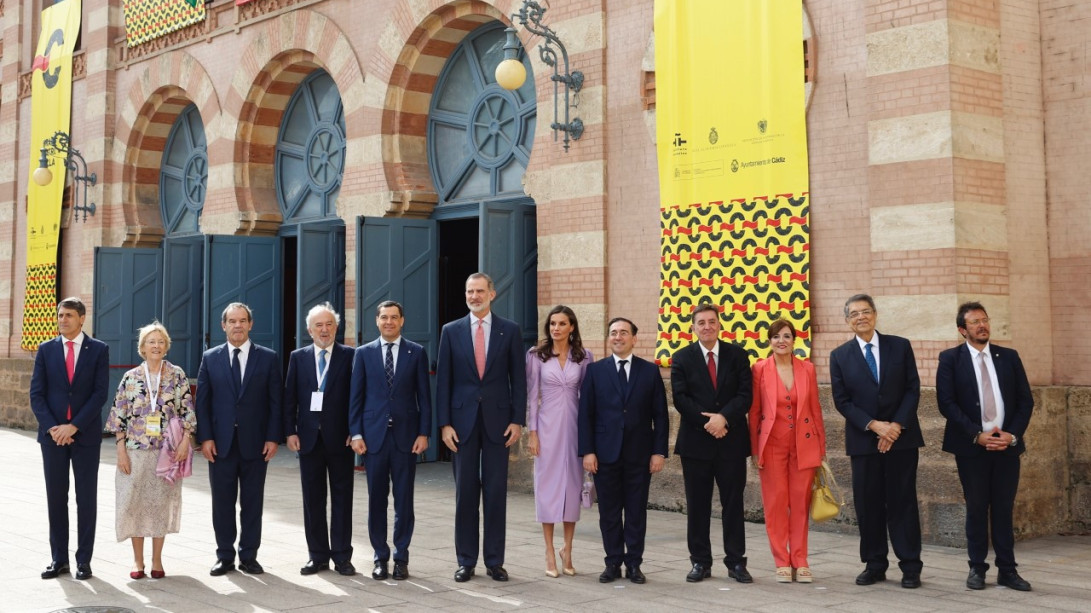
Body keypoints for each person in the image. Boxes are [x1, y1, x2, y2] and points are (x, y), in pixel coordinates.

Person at [936, 302, 1034, 592]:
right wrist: (976, 434)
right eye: (975, 322)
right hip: (972, 449)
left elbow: (1025, 401)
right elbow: (947, 404)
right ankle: (977, 569)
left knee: (1004, 508)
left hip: (1007, 446)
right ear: (962, 330)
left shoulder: (1009, 357)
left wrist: (1012, 435)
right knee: (977, 508)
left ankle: (1008, 570)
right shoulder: (950, 359)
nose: (982, 325)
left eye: (985, 320)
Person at [829, 294, 924, 589]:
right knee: (868, 504)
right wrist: (874, 426)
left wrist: (895, 426)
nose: (861, 317)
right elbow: (842, 401)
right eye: (854, 313)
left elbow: (912, 389)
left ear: (875, 314)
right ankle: (874, 564)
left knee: (902, 502)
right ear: (847, 321)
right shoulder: (839, 356)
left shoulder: (900, 346)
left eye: (866, 311)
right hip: (863, 440)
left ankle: (910, 566)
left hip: (902, 438)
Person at [436, 273, 526, 583]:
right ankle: (466, 561)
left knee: (496, 493)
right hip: (461, 425)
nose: (474, 296)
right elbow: (444, 381)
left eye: (479, 291)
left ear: (492, 294)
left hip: (499, 424)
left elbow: (519, 379)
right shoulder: (451, 331)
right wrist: (444, 424)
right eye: (469, 291)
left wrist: (517, 420)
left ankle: (494, 561)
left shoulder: (510, 331)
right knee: (465, 494)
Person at [578, 317, 669, 585]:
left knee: (636, 512)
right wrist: (588, 451)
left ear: (634, 338)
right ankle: (612, 562)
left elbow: (661, 416)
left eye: (623, 333)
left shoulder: (649, 371)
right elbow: (586, 415)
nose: (618, 337)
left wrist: (658, 452)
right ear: (609, 338)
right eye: (614, 333)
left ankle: (634, 565)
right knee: (608, 512)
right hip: (604, 455)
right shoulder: (595, 371)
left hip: (640, 455)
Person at [196, 302, 283, 576]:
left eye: (242, 320)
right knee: (222, 504)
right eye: (232, 321)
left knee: (253, 502)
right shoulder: (210, 358)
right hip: (220, 444)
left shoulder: (268, 358)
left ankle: (249, 555)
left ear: (250, 324)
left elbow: (275, 402)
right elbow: (203, 403)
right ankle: (224, 556)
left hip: (255, 444)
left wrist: (273, 438)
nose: (237, 325)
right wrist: (205, 438)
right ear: (223, 325)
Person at [105, 322, 196, 579]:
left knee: (159, 504)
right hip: (135, 451)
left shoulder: (176, 374)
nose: (156, 346)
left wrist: (185, 441)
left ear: (166, 346)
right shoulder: (130, 377)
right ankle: (137, 561)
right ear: (142, 347)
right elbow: (118, 414)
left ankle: (157, 560)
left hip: (167, 451)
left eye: (160, 341)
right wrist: (121, 450)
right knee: (133, 502)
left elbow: (187, 410)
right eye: (150, 341)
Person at [670, 303, 753, 584]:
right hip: (696, 444)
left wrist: (724, 419)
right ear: (693, 328)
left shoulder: (738, 355)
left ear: (719, 325)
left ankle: (736, 563)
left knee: (733, 504)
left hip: (731, 442)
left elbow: (745, 395)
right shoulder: (681, 358)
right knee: (698, 505)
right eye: (701, 322)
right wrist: (709, 422)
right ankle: (700, 562)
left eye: (711, 322)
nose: (707, 326)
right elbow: (680, 398)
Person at [349, 300, 431, 581]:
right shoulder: (363, 353)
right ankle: (379, 557)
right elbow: (355, 398)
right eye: (384, 317)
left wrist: (424, 432)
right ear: (377, 321)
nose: (389, 322)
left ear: (402, 321)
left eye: (394, 317)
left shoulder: (416, 353)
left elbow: (424, 397)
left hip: (407, 439)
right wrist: (356, 433)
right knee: (376, 500)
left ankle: (401, 557)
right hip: (373, 439)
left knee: (404, 501)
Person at [29, 296, 110, 580]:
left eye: (69, 315)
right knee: (56, 498)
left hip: (85, 436)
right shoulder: (45, 349)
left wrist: (73, 426)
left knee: (86, 499)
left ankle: (83, 561)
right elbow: (37, 394)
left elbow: (100, 394)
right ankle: (58, 559)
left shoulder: (98, 349)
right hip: (52, 438)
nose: (62, 319)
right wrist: (54, 428)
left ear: (81, 318)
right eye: (60, 315)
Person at [749, 319, 826, 583]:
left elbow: (815, 410)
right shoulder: (759, 369)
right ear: (769, 341)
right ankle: (782, 560)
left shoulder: (807, 369)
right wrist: (754, 451)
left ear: (795, 340)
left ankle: (801, 560)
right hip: (771, 446)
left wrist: (821, 449)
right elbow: (755, 413)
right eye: (776, 337)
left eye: (786, 336)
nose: (781, 341)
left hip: (803, 445)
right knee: (776, 505)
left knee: (800, 504)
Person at [284, 303, 356, 576]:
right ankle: (317, 556)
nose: (324, 330)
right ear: (309, 330)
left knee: (342, 498)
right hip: (308, 439)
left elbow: (356, 397)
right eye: (318, 325)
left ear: (336, 327)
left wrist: (355, 429)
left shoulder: (351, 356)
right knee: (312, 500)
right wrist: (290, 431)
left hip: (341, 439)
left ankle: (342, 556)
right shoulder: (298, 357)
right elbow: (289, 396)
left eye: (329, 324)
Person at [525, 305, 592, 578]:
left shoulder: (584, 356)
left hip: (575, 429)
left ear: (572, 327)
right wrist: (532, 432)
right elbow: (531, 396)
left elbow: (588, 399)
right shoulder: (536, 355)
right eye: (552, 323)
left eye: (562, 323)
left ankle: (568, 548)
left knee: (572, 488)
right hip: (547, 428)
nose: (556, 328)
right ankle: (549, 551)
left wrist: (590, 439)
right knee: (548, 488)